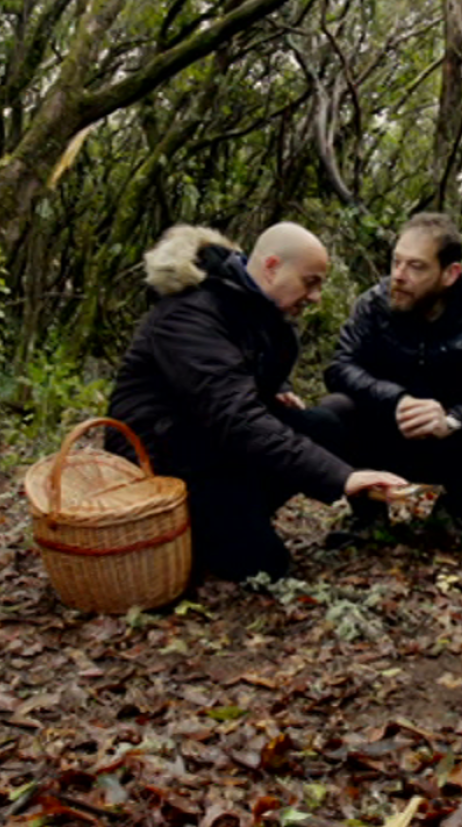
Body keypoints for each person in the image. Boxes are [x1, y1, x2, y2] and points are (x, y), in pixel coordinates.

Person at [104, 221, 407, 583]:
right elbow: (237, 416)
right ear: (272, 267)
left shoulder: (257, 308)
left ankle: (242, 514)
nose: (315, 297)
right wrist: (343, 477)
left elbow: (248, 362)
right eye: (309, 282)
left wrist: (276, 386)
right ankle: (204, 529)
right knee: (265, 566)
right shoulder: (188, 315)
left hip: (210, 444)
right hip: (164, 461)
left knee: (327, 422)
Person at [320, 212, 462, 546]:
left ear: (450, 274)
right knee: (332, 410)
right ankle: (368, 517)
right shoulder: (373, 304)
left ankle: (452, 515)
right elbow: (340, 368)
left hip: (448, 445)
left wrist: (452, 420)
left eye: (416, 267)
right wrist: (395, 400)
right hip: (382, 440)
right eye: (396, 262)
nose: (399, 275)